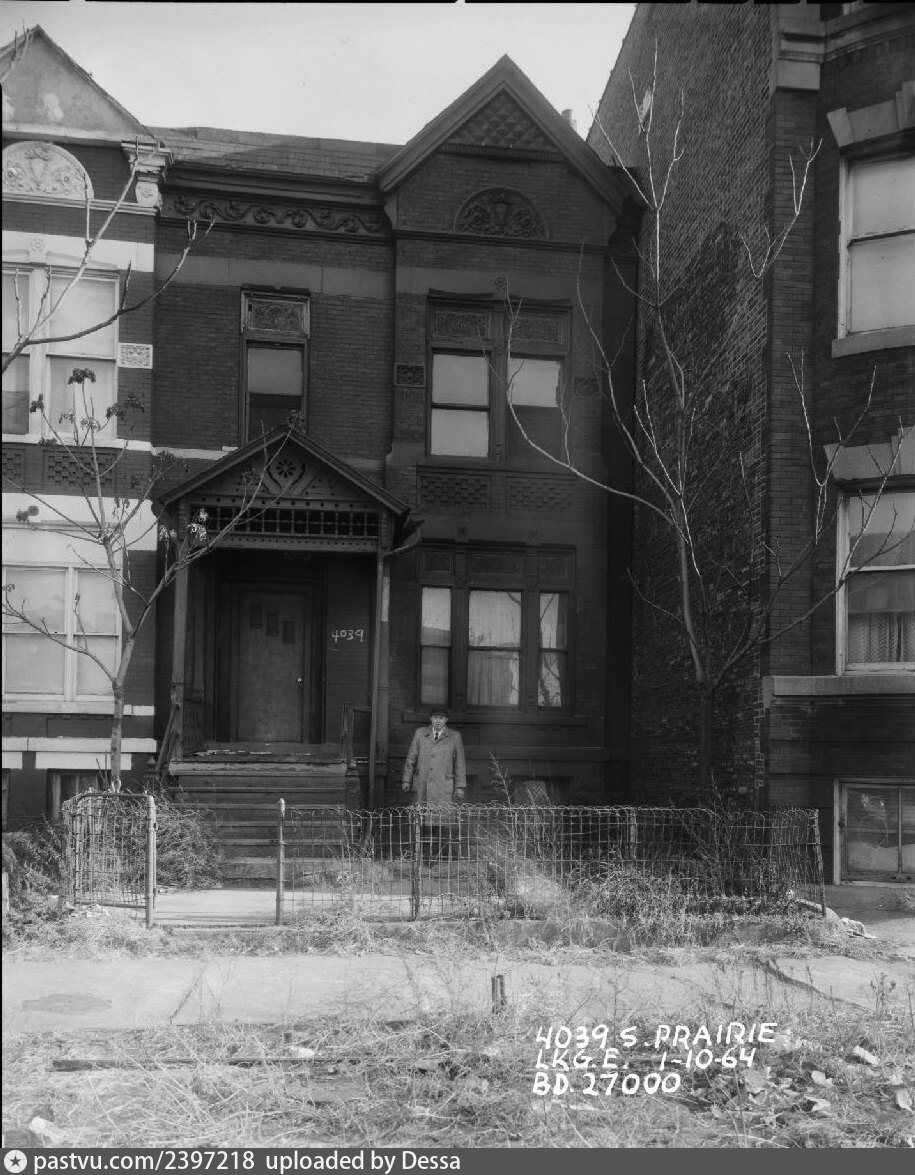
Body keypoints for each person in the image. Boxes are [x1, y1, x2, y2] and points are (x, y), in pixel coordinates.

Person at [401, 707, 467, 862]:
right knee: (422, 821)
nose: (438, 721)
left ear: (446, 720)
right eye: (436, 717)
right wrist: (406, 780)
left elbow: (459, 763)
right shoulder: (420, 734)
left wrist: (459, 786)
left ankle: (440, 857)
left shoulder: (454, 737)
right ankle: (422, 856)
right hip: (422, 786)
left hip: (443, 787)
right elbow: (411, 758)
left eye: (441, 718)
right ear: (430, 719)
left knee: (441, 822)